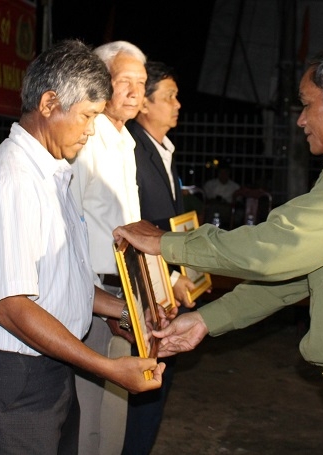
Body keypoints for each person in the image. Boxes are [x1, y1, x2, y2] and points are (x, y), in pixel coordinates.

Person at [114, 38, 323, 455]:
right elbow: (297, 277)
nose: (300, 120)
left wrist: (165, 244)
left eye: (307, 103)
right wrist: (207, 320)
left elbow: (276, 249)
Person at [0, 39, 164, 454]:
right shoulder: (11, 182)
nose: (90, 131)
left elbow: (63, 282)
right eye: (86, 116)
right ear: (49, 103)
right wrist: (105, 366)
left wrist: (121, 310)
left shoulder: (54, 174)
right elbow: (12, 307)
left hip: (48, 369)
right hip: (12, 381)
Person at [69, 40, 148, 455]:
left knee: (116, 407)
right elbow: (70, 225)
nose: (136, 93)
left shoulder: (126, 141)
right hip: (94, 294)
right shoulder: (87, 136)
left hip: (124, 291)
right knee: (89, 413)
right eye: (125, 82)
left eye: (142, 83)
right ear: (102, 83)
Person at [124, 60, 196, 454]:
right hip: (145, 295)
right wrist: (169, 280)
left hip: (166, 298)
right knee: (140, 403)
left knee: (154, 394)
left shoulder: (162, 151)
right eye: (168, 96)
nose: (178, 104)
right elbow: (136, 226)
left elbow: (169, 225)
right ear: (146, 106)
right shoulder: (132, 150)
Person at [203, 163, 240, 227]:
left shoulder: (235, 187)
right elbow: (205, 198)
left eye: (225, 172)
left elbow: (238, 202)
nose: (223, 175)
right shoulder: (210, 184)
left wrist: (225, 203)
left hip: (227, 210)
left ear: (229, 173)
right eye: (221, 173)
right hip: (212, 208)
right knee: (212, 208)